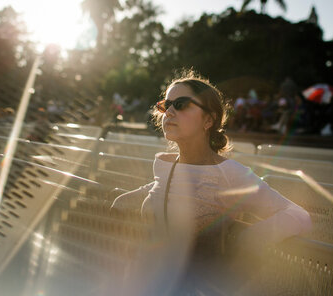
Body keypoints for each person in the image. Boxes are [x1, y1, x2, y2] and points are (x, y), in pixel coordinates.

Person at [110, 70, 312, 295]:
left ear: (208, 119)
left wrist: (253, 237)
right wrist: (126, 200)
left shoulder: (229, 174)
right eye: (167, 105)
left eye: (182, 104)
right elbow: (164, 190)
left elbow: (298, 214)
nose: (170, 111)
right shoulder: (166, 166)